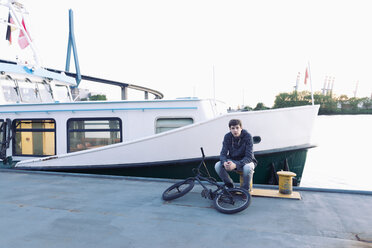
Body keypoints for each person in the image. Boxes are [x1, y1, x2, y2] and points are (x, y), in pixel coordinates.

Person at [215, 119, 257, 191]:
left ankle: (245, 190)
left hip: (247, 161)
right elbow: (223, 154)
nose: (235, 130)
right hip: (233, 160)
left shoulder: (248, 136)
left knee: (247, 168)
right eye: (233, 128)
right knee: (217, 165)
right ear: (230, 129)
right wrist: (224, 162)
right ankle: (230, 187)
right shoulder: (227, 137)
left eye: (237, 128)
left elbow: (249, 157)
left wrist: (236, 165)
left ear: (241, 128)